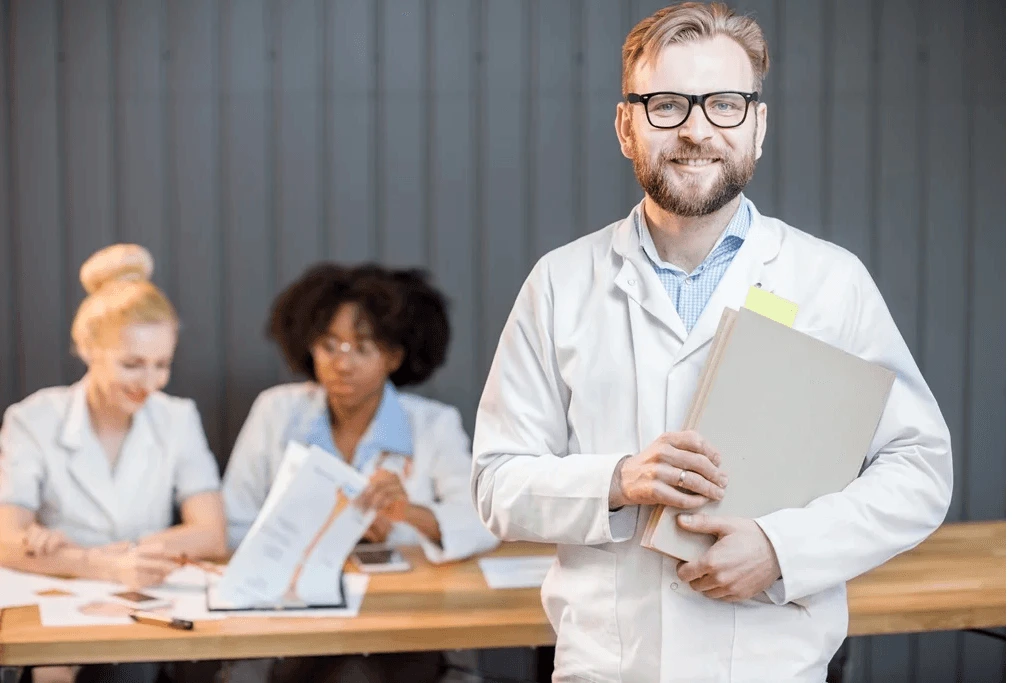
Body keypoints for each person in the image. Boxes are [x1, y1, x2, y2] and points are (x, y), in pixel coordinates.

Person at [471, 3, 953, 682]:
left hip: (771, 665)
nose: (696, 129)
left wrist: (783, 547)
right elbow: (496, 481)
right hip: (608, 668)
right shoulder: (561, 283)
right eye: (665, 103)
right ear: (625, 126)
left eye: (724, 103)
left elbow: (919, 468)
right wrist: (617, 479)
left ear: (758, 125)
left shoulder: (829, 282)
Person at [221, 263, 499, 683]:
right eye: (329, 345)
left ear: (394, 356)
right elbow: (232, 521)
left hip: (400, 624)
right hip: (288, 621)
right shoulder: (275, 412)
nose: (341, 364)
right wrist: (318, 528)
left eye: (362, 347)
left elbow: (484, 522)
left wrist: (406, 514)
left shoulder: (432, 424)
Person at [0, 244, 227, 683]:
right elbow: (6, 540)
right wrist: (99, 566)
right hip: (60, 601)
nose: (150, 383)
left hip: (144, 605)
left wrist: (98, 554)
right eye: (132, 364)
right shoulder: (32, 420)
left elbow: (211, 533)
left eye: (162, 365)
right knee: (51, 668)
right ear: (87, 348)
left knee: (132, 670)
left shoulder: (177, 417)